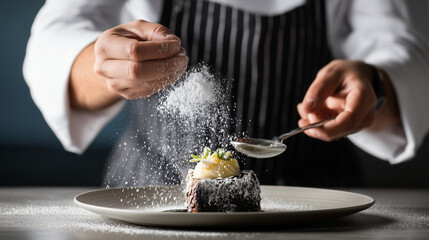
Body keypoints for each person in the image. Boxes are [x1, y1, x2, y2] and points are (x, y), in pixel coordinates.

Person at [24, 0, 429, 187]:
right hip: (149, 191)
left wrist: (373, 86)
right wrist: (109, 68)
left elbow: (404, 55)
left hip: (313, 202)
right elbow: (52, 47)